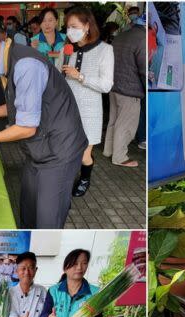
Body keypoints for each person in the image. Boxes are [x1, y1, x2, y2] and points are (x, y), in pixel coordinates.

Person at [0, 24, 87, 229]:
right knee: (28, 209)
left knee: (48, 221)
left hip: (60, 151)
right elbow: (20, 106)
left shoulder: (26, 65)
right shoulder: (9, 61)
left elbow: (27, 127)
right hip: (39, 149)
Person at [62, 6, 114, 197]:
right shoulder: (66, 50)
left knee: (84, 154)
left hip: (90, 111)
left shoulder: (105, 50)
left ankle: (85, 179)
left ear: (87, 26)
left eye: (74, 26)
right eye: (67, 27)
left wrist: (80, 76)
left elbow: (106, 85)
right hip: (67, 109)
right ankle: (66, 179)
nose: (70, 31)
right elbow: (60, 77)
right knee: (67, 149)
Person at [102, 13, 146, 168]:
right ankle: (120, 156)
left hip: (114, 86)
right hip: (130, 89)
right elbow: (144, 68)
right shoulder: (143, 39)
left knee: (114, 120)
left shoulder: (122, 35)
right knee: (126, 124)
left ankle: (108, 150)